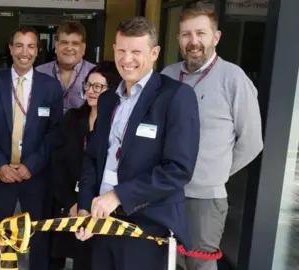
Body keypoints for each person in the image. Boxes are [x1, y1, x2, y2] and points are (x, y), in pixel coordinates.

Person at [75, 16, 200, 270]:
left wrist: (119, 195)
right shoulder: (108, 98)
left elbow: (178, 169)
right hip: (102, 222)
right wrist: (85, 207)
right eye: (121, 50)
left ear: (154, 53)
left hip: (146, 226)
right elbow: (93, 157)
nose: (126, 59)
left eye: (136, 51)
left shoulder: (175, 96)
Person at [161, 7, 263, 270]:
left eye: (200, 33)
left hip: (205, 199)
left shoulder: (234, 79)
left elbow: (252, 142)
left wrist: (216, 174)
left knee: (199, 264)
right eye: (186, 34)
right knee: (166, 261)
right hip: (163, 191)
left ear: (215, 37)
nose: (193, 41)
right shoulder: (166, 77)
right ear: (178, 38)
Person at [0, 26, 63, 270]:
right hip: (1, 176)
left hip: (35, 176)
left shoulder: (50, 87)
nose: (24, 52)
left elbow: (54, 131)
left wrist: (32, 164)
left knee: (38, 236)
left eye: (30, 46)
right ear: (10, 48)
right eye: (19, 45)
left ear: (37, 51)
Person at [50, 61, 122, 270]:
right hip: (71, 205)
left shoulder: (116, 125)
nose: (91, 91)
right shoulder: (72, 118)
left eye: (98, 87)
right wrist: (73, 203)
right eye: (88, 85)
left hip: (104, 209)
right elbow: (58, 164)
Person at [36, 21, 96, 112]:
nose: (69, 48)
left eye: (75, 43)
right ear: (56, 45)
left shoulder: (95, 73)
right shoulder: (39, 72)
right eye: (64, 42)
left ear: (83, 48)